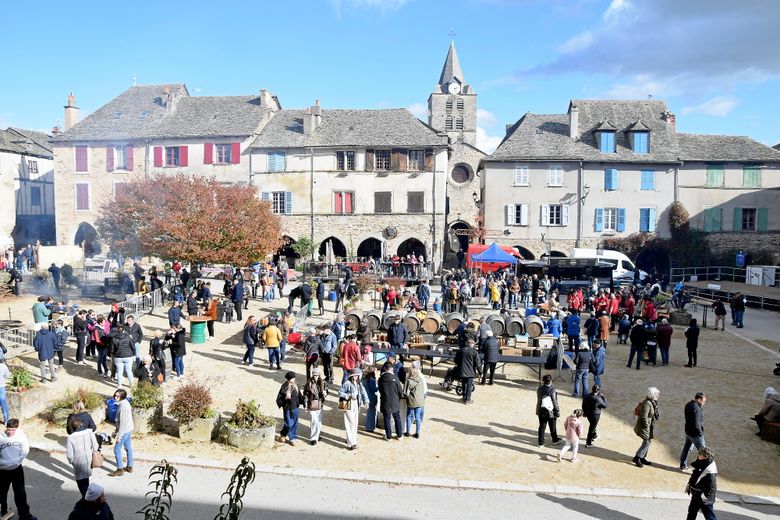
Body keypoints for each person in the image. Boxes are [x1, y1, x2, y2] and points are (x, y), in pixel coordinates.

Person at [0, 419, 36, 520]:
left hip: (16, 469)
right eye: (8, 429)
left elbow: (25, 449)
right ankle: (3, 514)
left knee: (20, 493)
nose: (9, 432)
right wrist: (3, 464)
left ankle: (24, 515)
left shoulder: (21, 436)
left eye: (12, 430)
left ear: (17, 428)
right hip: (2, 471)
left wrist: (16, 461)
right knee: (1, 494)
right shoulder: (0, 438)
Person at [65, 416, 99, 496]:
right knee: (87, 481)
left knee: (81, 485)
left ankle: (87, 501)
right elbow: (96, 446)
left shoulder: (71, 438)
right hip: (89, 461)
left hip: (78, 464)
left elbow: (69, 455)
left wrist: (71, 462)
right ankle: (89, 499)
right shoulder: (89, 432)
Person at [685, 447, 718, 520]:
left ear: (705, 457)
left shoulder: (710, 471)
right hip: (697, 494)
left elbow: (711, 487)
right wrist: (689, 485)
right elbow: (695, 475)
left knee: (709, 517)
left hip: (704, 498)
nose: (698, 455)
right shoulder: (701, 461)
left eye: (700, 454)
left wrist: (704, 498)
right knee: (691, 512)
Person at [340, 368, 369, 450]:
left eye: (357, 375)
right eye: (354, 375)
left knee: (354, 423)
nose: (356, 377)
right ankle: (352, 443)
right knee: (350, 422)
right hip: (348, 403)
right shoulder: (347, 383)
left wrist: (366, 401)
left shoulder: (359, 383)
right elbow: (340, 392)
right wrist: (348, 395)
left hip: (356, 404)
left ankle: (351, 440)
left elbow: (363, 392)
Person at [108, 389, 134, 476]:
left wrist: (119, 435)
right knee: (128, 447)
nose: (115, 397)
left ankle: (120, 469)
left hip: (124, 430)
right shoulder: (125, 403)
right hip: (129, 429)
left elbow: (122, 423)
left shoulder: (123, 407)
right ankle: (129, 466)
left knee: (116, 449)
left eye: (117, 396)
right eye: (115, 395)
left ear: (122, 397)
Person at [633, 386, 660, 468]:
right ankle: (637, 458)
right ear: (653, 395)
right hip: (644, 427)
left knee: (647, 442)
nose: (658, 396)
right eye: (657, 394)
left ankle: (642, 457)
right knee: (647, 442)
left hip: (649, 426)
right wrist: (646, 426)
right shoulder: (647, 403)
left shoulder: (653, 402)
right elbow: (643, 417)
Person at [680, 392, 707, 471]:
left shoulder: (688, 404)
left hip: (688, 432)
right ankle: (700, 470)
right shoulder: (696, 408)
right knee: (704, 452)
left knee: (686, 449)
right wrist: (700, 433)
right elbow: (696, 423)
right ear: (699, 399)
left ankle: (683, 465)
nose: (704, 403)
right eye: (703, 401)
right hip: (696, 434)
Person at [378, 362, 404, 440]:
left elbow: (380, 390)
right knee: (397, 418)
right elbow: (400, 391)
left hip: (385, 401)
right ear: (392, 369)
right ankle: (399, 435)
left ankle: (388, 436)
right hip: (395, 401)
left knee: (387, 419)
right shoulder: (395, 378)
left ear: (385, 369)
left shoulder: (380, 379)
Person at [276, 371, 301, 446]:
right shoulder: (284, 386)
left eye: (294, 378)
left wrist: (305, 403)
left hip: (295, 407)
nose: (293, 379)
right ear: (288, 379)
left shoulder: (296, 386)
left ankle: (292, 438)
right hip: (287, 407)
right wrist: (285, 398)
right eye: (292, 378)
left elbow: (300, 396)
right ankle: (283, 434)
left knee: (295, 423)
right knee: (288, 423)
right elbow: (279, 398)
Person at [303, 368, 328, 446]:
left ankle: (317, 434)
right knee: (314, 420)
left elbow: (327, 391)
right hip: (311, 403)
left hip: (320, 403)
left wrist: (325, 393)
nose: (316, 377)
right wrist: (305, 404)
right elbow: (305, 394)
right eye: (314, 375)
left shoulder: (323, 382)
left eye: (317, 375)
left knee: (319, 421)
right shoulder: (309, 383)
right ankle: (313, 438)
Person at [536, 374, 561, 447]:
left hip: (541, 410)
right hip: (550, 411)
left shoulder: (539, 388)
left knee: (542, 427)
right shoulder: (552, 390)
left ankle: (541, 443)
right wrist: (557, 412)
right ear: (550, 381)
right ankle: (555, 440)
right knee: (552, 427)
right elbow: (555, 402)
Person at [403, 361, 426, 438]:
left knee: (409, 416)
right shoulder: (421, 378)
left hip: (412, 401)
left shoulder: (409, 380)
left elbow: (405, 393)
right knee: (418, 417)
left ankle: (408, 432)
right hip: (420, 400)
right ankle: (417, 432)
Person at [454, 339, 481, 404]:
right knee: (469, 385)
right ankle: (468, 399)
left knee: (464, 384)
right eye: (474, 344)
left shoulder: (460, 350)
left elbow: (455, 360)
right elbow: (478, 363)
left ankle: (464, 397)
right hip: (470, 371)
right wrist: (480, 372)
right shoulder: (474, 352)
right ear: (471, 344)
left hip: (462, 370)